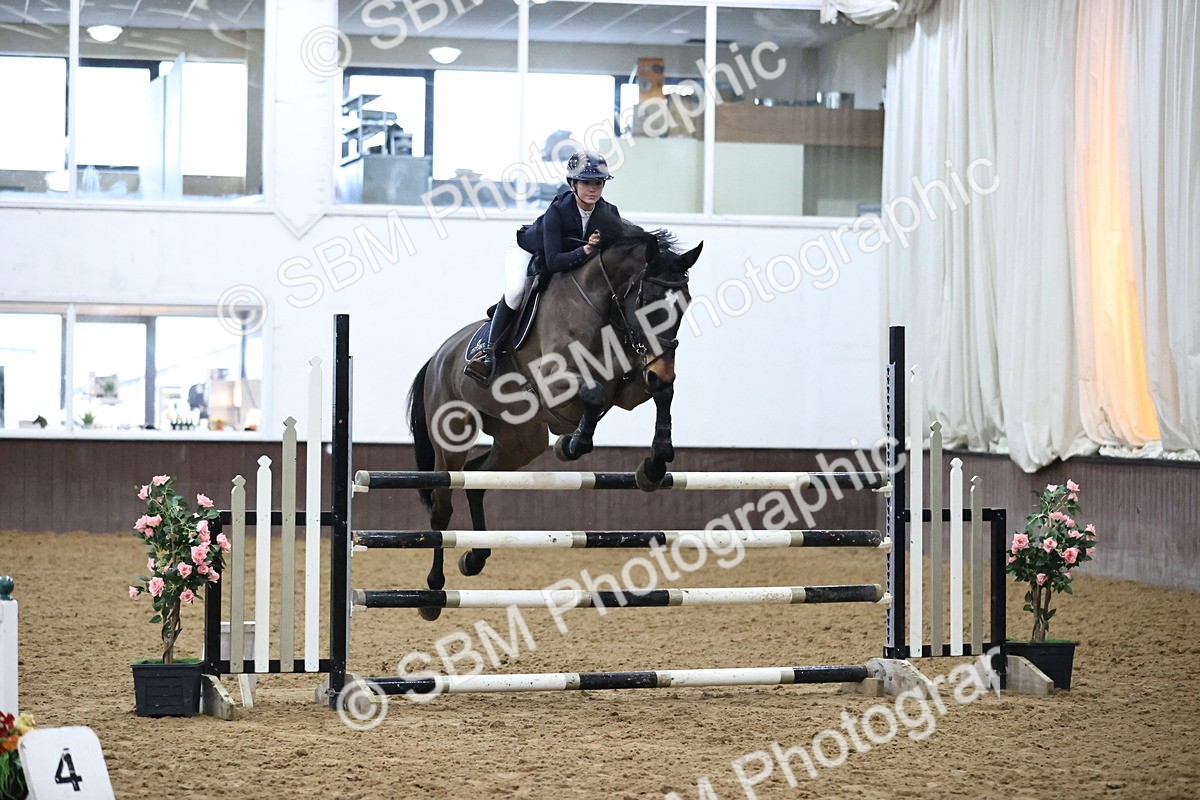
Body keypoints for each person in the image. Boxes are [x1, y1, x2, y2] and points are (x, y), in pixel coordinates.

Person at [464, 150, 622, 386]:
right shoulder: (557, 211)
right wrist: (586, 251)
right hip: (531, 252)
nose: (593, 189)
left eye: (598, 183)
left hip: (572, 261)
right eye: (586, 182)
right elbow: (553, 261)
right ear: (572, 184)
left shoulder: (610, 214)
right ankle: (488, 352)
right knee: (517, 290)